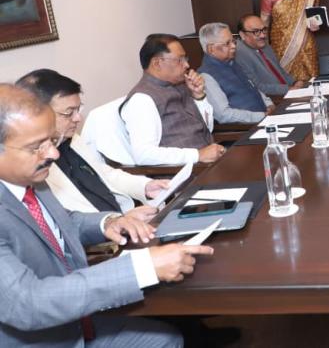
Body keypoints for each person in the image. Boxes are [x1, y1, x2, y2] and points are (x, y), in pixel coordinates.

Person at [0, 83, 214, 346]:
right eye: (37, 147)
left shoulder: (28, 177)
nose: (53, 154)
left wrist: (108, 222)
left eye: (51, 141)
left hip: (74, 319)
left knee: (166, 339)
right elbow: (29, 304)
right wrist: (142, 268)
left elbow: (59, 221)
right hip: (39, 337)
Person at [16, 69, 169, 217]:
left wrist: (144, 186)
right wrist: (115, 221)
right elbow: (68, 220)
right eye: (68, 113)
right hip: (102, 229)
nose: (77, 118)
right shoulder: (32, 166)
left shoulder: (69, 138)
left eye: (78, 110)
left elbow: (103, 173)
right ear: (36, 114)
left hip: (123, 216)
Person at [121, 33, 226, 166]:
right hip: (188, 171)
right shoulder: (142, 100)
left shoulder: (179, 85)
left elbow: (206, 129)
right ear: (157, 63)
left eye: (185, 58)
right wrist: (198, 155)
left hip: (211, 161)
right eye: (180, 60)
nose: (187, 65)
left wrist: (199, 96)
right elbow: (144, 155)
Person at [197, 22, 275, 124]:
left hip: (266, 118)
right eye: (227, 43)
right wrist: (262, 116)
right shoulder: (206, 76)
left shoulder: (233, 63)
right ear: (211, 49)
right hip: (246, 128)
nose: (233, 46)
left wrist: (269, 104)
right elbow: (224, 115)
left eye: (233, 41)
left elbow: (254, 89)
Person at [260, 0, 321, 81]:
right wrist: (264, 47)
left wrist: (315, 24)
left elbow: (314, 16)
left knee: (311, 82)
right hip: (281, 46)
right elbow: (264, 21)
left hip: (305, 43)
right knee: (287, 83)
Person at [236, 14, 304, 97]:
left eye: (263, 30)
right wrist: (288, 89)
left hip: (288, 93)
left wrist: (295, 82)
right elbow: (258, 87)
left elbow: (280, 71)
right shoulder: (238, 53)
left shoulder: (265, 45)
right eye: (256, 32)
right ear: (242, 35)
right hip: (271, 99)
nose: (263, 35)